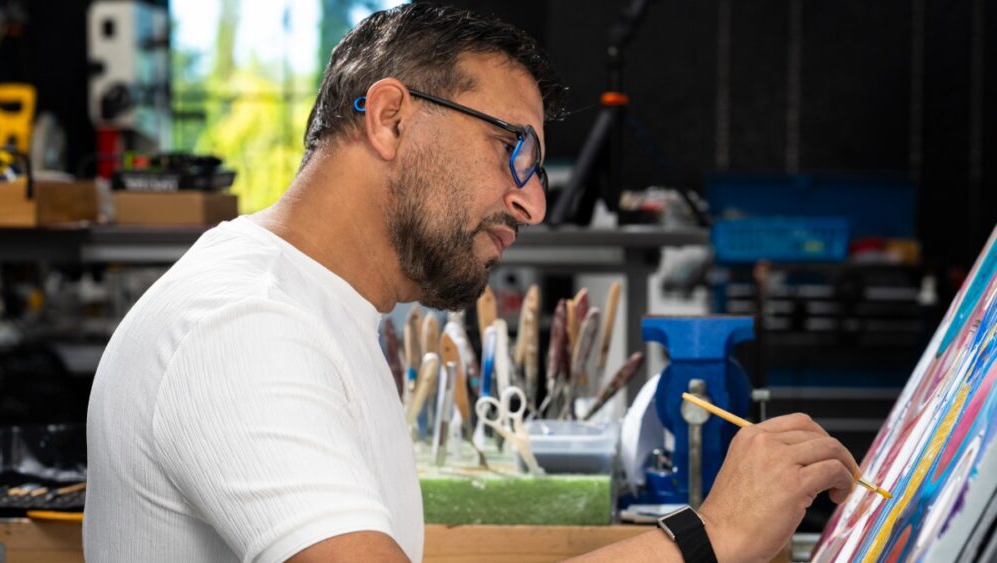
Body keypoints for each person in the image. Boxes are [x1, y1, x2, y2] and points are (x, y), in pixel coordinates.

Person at [84, 4, 860, 563]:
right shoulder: (243, 325)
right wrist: (708, 535)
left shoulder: (324, 310)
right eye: (513, 150)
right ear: (391, 119)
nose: (535, 200)